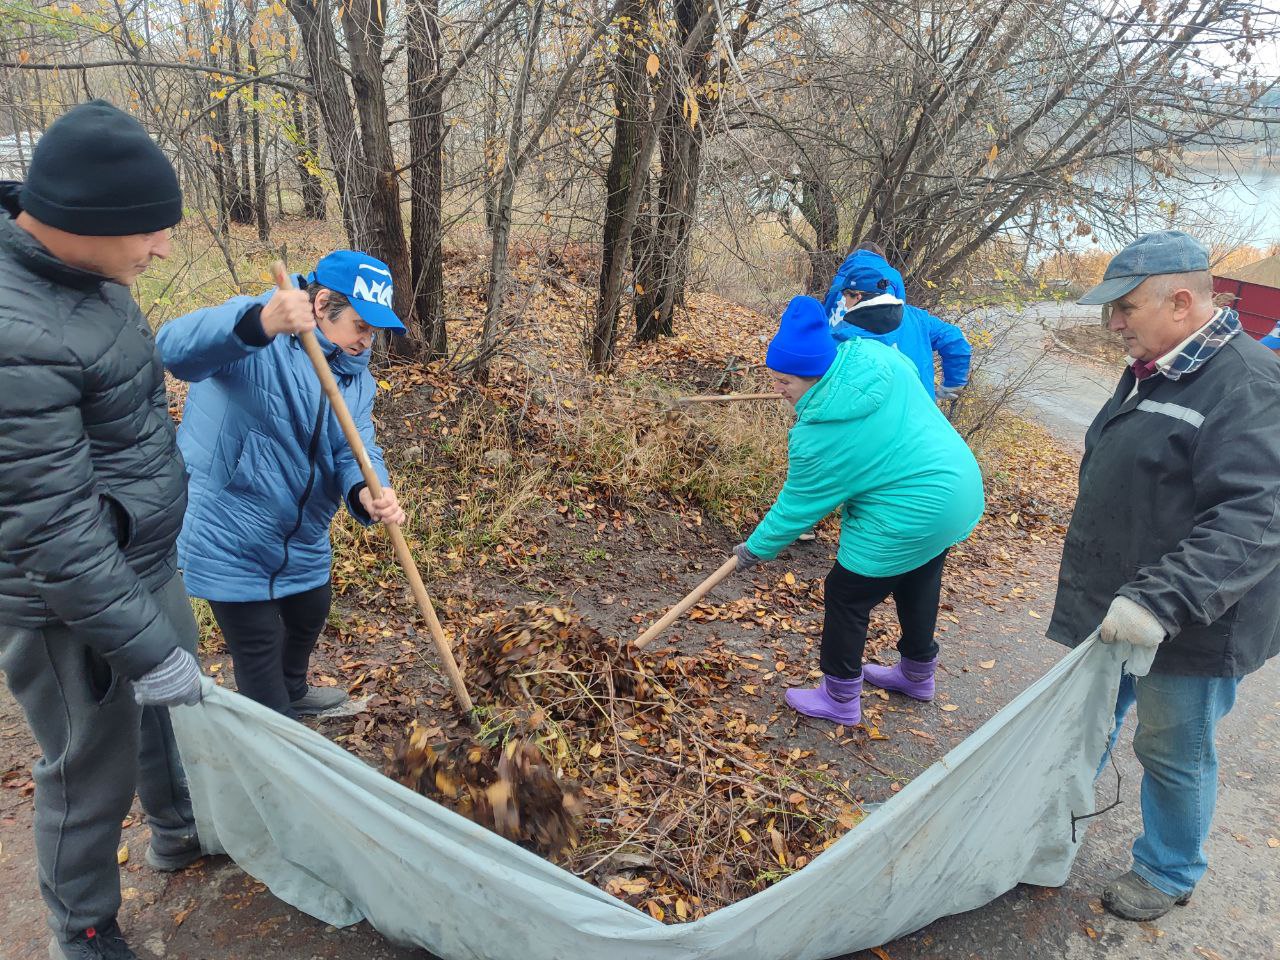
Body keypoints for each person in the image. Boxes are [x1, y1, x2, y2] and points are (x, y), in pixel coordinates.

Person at [0, 100, 206, 960]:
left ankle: (179, 829)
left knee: (171, 716)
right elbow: (50, 527)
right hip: (63, 599)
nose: (162, 248)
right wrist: (142, 645)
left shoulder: (94, 281)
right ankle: (82, 928)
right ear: (88, 221)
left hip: (140, 558)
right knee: (88, 764)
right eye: (151, 231)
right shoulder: (17, 334)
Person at [1046, 230, 1280, 922]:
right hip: (1122, 605)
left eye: (1125, 308)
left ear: (1182, 302)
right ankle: (1045, 830)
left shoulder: (1249, 385)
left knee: (1171, 746)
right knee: (1084, 725)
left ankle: (1168, 869)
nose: (1114, 323)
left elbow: (1255, 519)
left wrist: (1160, 600)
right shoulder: (1156, 365)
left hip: (1194, 621)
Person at [158, 251, 407, 719]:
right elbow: (171, 349)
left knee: (310, 610)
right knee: (260, 647)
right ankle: (275, 747)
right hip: (229, 528)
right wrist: (260, 323)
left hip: (299, 532)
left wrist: (365, 490)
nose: (366, 340)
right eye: (360, 325)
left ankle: (292, 691)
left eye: (374, 330)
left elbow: (355, 448)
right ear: (323, 303)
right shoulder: (261, 329)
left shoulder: (357, 379)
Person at [733, 296, 985, 725]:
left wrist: (753, 550)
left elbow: (796, 508)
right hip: (957, 489)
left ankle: (839, 696)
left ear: (812, 374)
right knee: (919, 575)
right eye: (773, 380)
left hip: (912, 507)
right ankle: (917, 673)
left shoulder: (821, 438)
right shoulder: (871, 355)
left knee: (846, 594)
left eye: (784, 383)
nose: (777, 390)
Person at [822, 242, 971, 401]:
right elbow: (954, 339)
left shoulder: (841, 334)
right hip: (920, 412)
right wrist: (951, 386)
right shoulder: (917, 319)